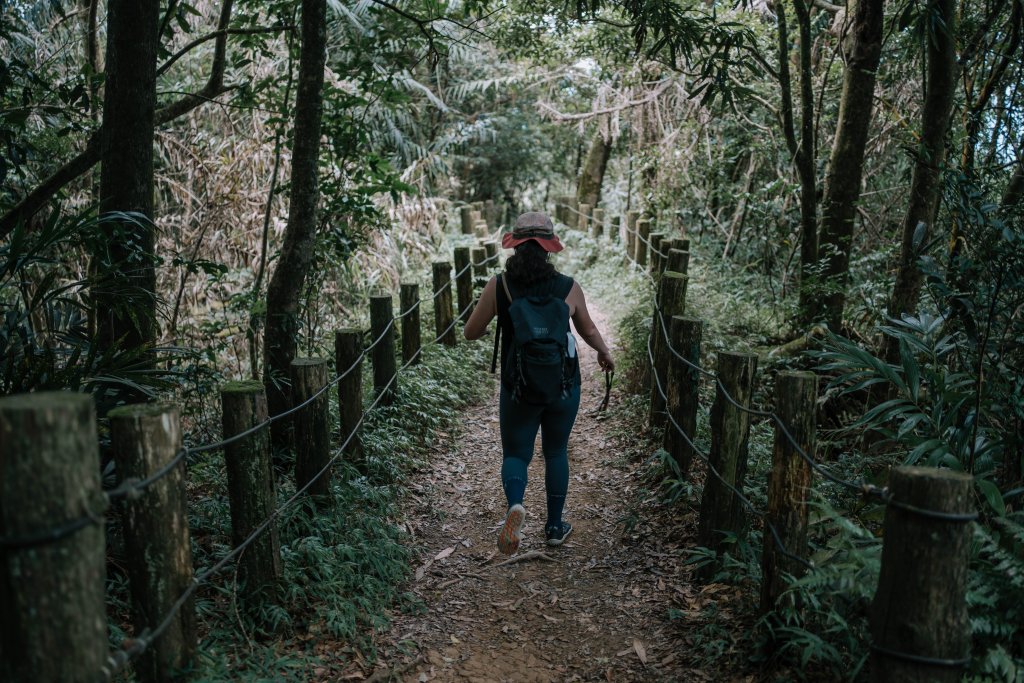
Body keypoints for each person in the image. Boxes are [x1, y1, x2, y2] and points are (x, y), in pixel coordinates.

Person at [463, 211, 614, 555]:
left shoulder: (499, 286)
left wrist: (490, 325)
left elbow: (470, 331)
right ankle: (555, 527)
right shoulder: (568, 287)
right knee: (556, 451)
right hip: (563, 384)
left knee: (517, 453)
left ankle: (516, 506)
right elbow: (588, 330)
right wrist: (605, 353)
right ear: (549, 248)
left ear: (514, 245)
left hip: (519, 387)